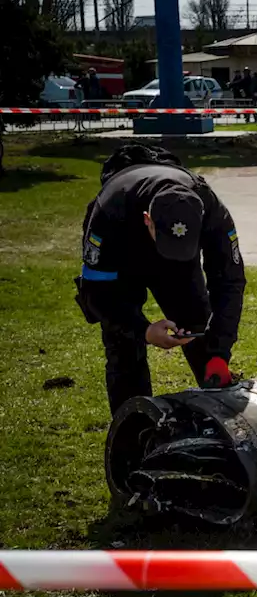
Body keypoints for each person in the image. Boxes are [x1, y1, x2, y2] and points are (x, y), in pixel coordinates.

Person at [75, 144, 246, 414]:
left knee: (198, 331)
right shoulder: (109, 211)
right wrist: (142, 329)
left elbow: (229, 282)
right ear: (148, 220)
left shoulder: (213, 211)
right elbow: (97, 293)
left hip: (180, 272)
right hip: (122, 257)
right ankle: (132, 436)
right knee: (123, 348)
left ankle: (222, 425)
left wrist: (220, 351)